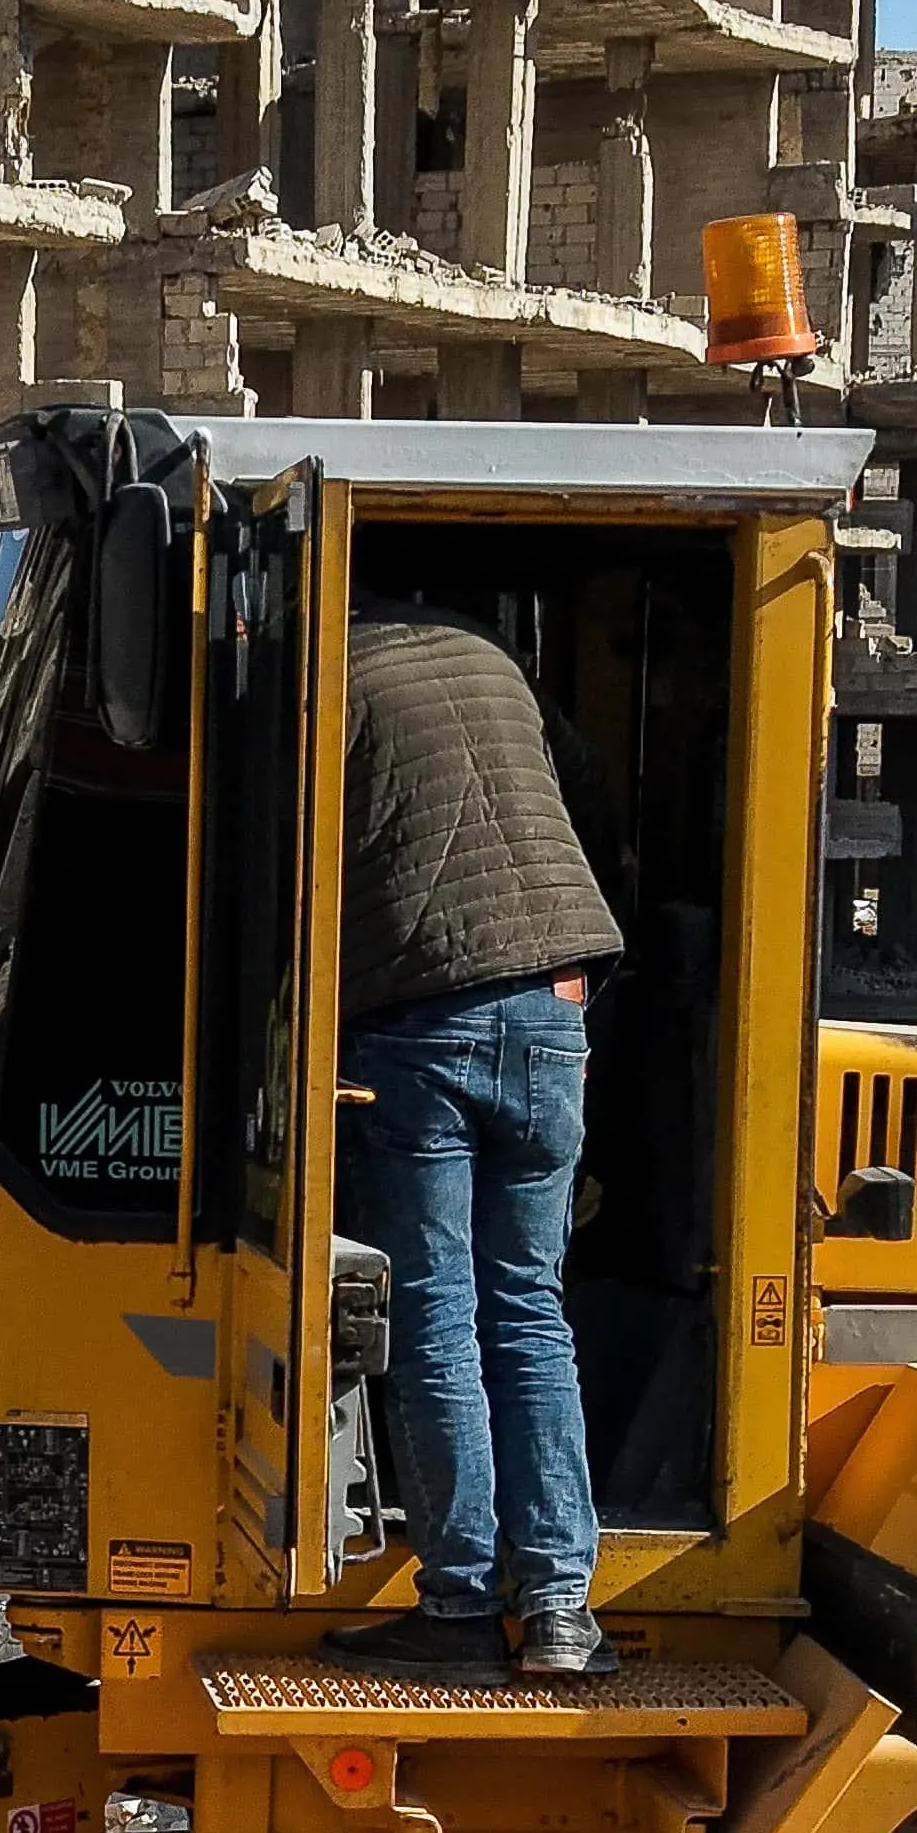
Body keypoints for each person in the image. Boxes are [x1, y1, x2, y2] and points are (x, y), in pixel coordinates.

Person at [329, 610, 620, 1679]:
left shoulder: (327, 678)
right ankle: (559, 1612)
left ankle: (456, 1603)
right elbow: (586, 795)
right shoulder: (496, 663)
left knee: (436, 1314)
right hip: (553, 1004)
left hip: (421, 1012)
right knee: (530, 1309)